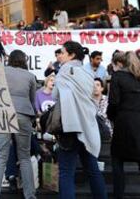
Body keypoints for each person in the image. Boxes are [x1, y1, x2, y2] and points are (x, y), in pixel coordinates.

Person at [53, 41, 107, 199]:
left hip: (70, 126)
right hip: (87, 126)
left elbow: (55, 95)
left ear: (71, 55)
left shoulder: (63, 70)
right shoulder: (88, 72)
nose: (59, 56)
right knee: (92, 169)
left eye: (62, 52)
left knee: (66, 172)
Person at [107, 51, 140, 199]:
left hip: (125, 120)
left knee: (117, 160)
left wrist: (112, 117)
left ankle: (118, 196)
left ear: (122, 63)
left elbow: (114, 102)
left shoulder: (118, 77)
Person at [0, 50, 37, 199]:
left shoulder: (0, 71)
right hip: (23, 114)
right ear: (24, 60)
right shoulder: (30, 76)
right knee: (25, 157)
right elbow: (32, 99)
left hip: (2, 113)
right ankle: (30, 196)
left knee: (1, 157)